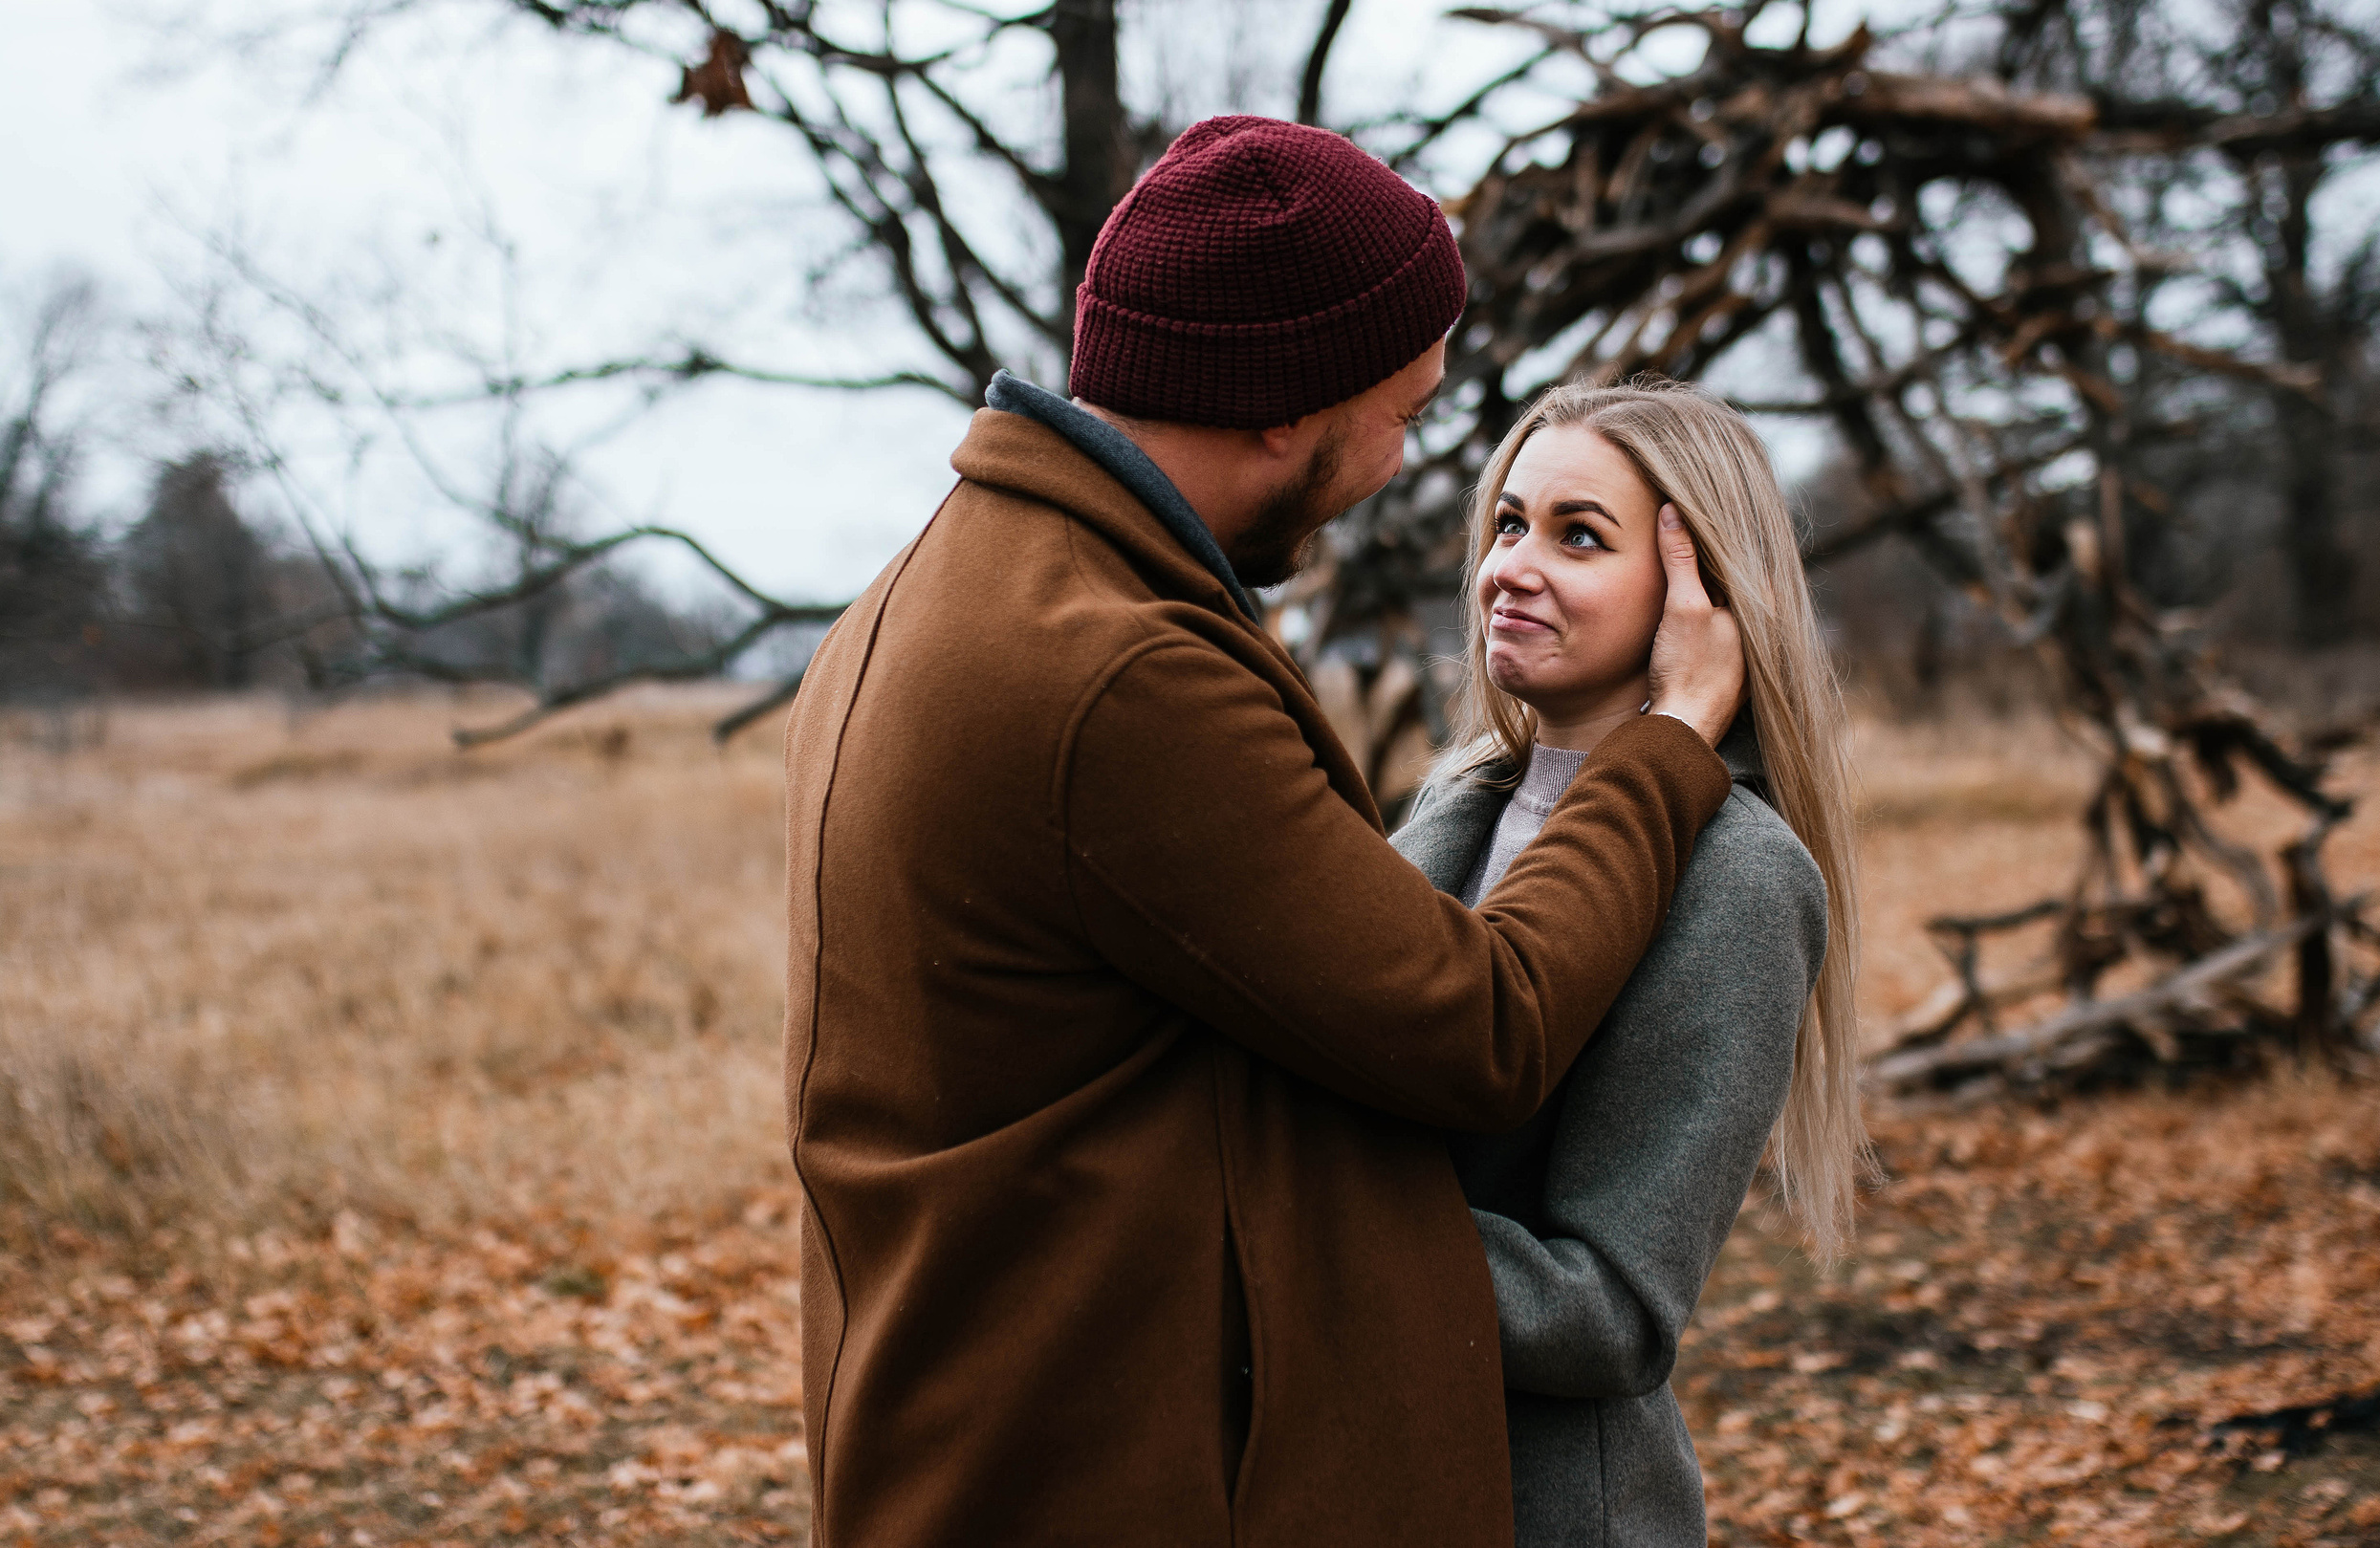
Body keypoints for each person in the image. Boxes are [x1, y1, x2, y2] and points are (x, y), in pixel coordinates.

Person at [778, 117, 1749, 1546]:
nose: (1404, 454)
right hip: (1086, 1465)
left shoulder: (938, 588)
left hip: (972, 1422)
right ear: (1286, 405)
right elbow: (1479, 1024)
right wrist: (1669, 747)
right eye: (1403, 413)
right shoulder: (1115, 671)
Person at [1391, 379, 1870, 1548]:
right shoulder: (1455, 806)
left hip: (1541, 1508)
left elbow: (1607, 1310)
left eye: (1579, 536)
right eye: (1508, 523)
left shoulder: (1737, 879)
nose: (1512, 566)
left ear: (1694, 590)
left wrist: (1296, 1228)